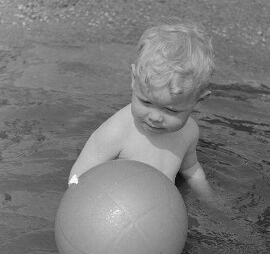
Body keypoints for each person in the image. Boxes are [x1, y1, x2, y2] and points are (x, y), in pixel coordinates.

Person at [68, 21, 215, 205]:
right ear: (133, 79)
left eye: (171, 110)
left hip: (158, 212)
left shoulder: (189, 132)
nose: (155, 117)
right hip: (114, 206)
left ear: (198, 101)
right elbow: (81, 172)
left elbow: (191, 167)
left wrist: (208, 199)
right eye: (146, 102)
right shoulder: (118, 130)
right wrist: (75, 200)